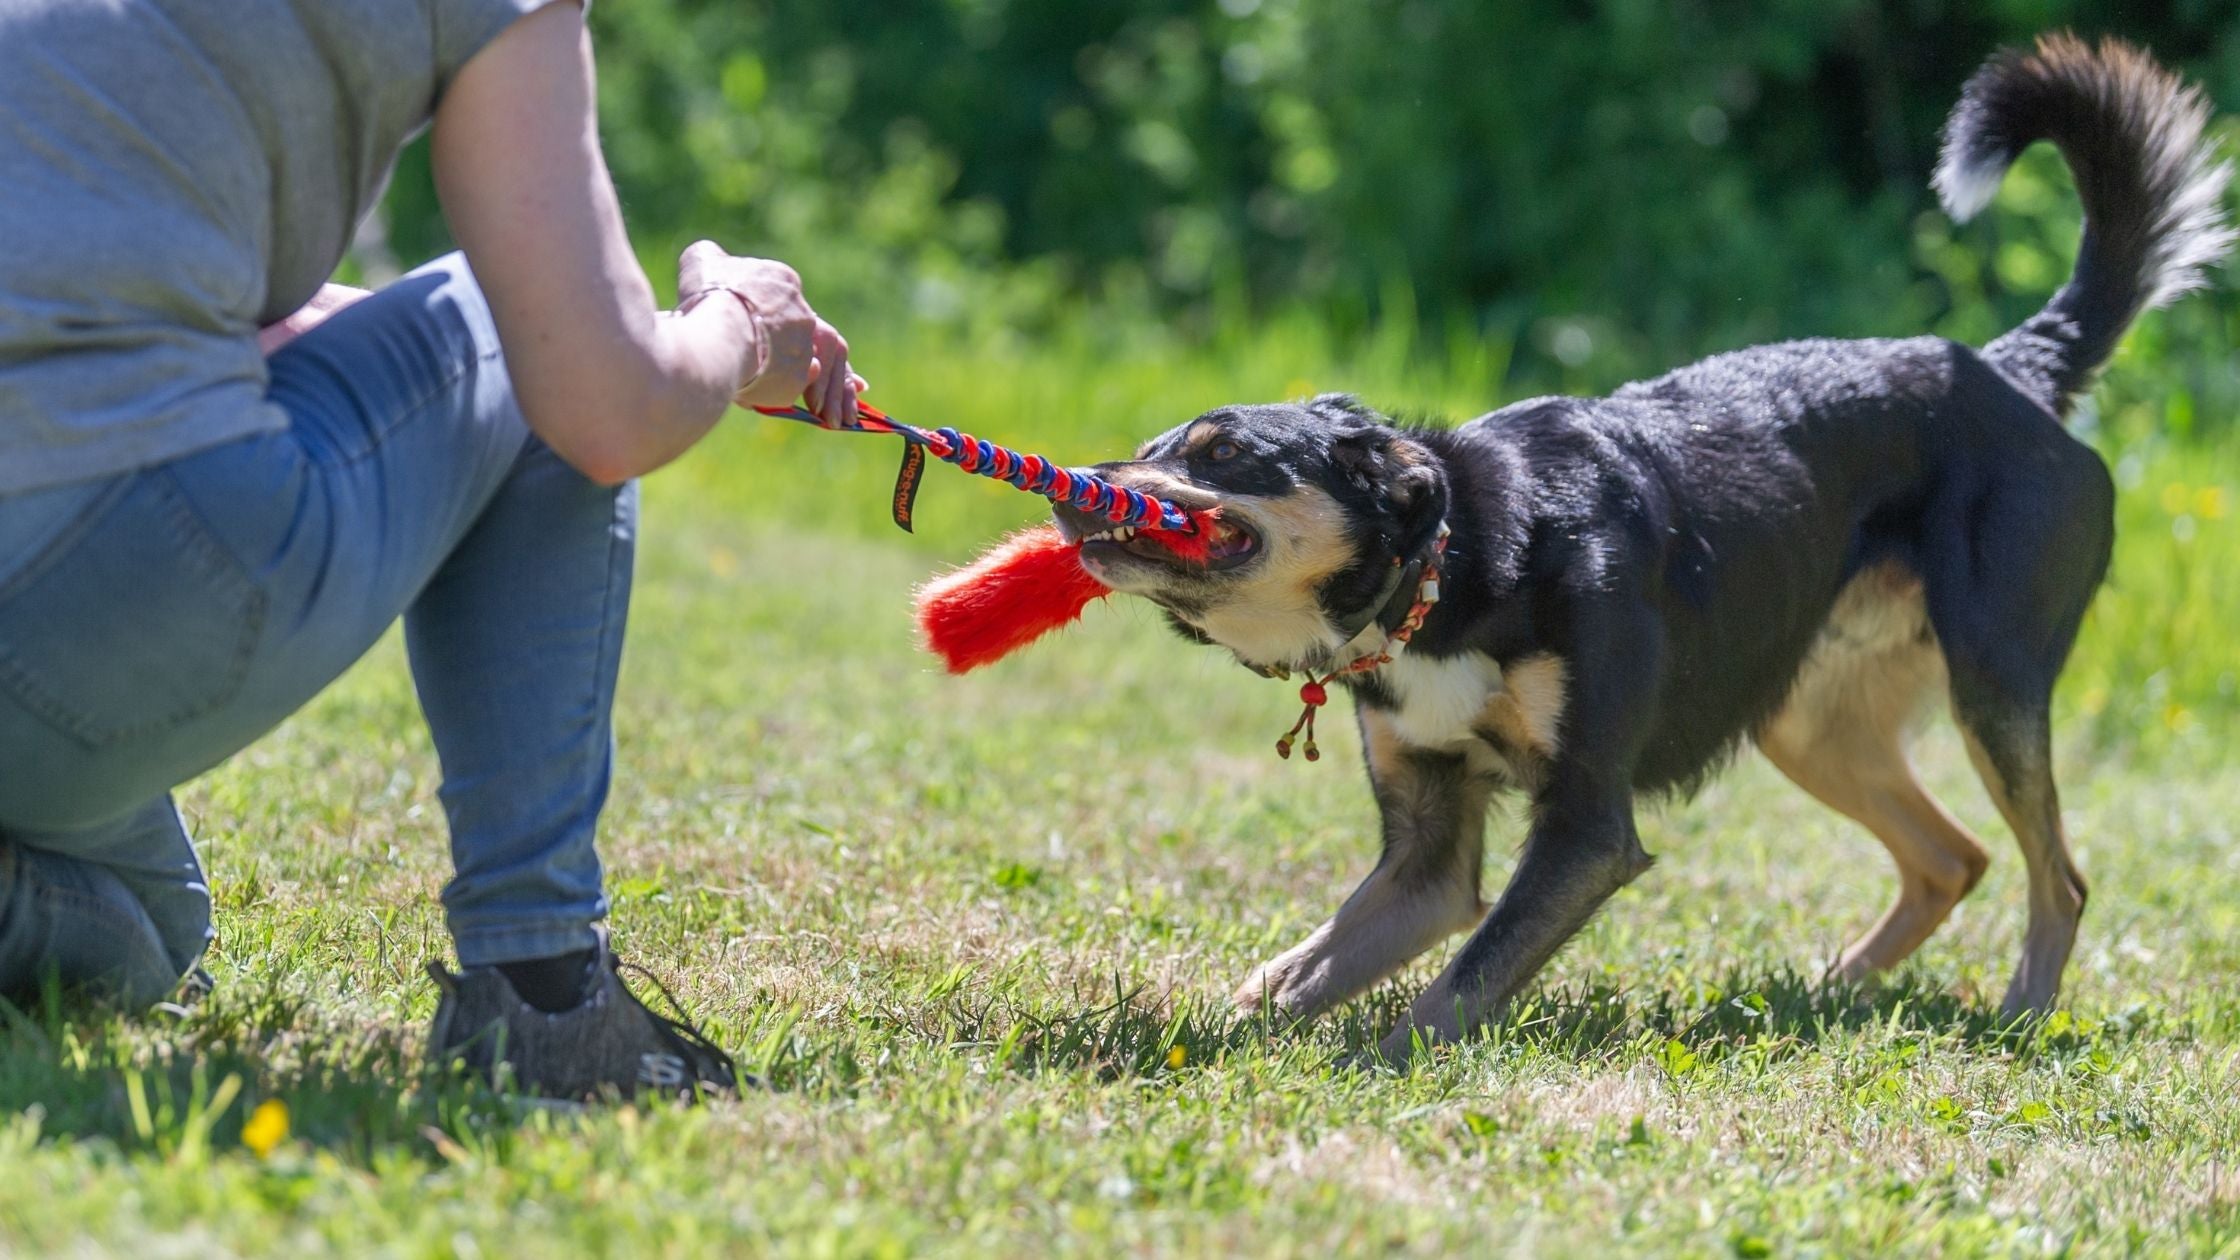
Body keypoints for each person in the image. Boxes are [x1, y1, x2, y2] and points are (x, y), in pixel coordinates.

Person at [0, 0, 859, 1099]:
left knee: (155, 933)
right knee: (513, 323)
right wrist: (741, 318)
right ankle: (547, 996)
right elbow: (599, 409)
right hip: (64, 597)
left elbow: (124, 285)